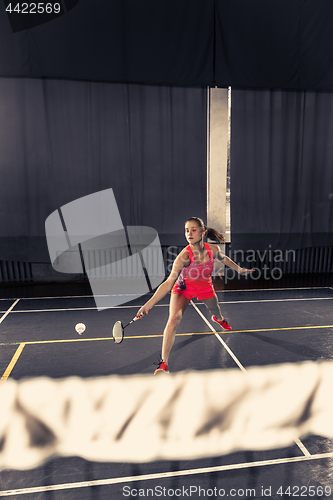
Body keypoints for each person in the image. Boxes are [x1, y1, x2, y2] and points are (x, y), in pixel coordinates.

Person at [136, 217, 253, 374]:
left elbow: (223, 259)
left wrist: (239, 269)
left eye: (193, 230)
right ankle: (163, 363)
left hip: (205, 286)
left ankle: (218, 319)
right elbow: (168, 283)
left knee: (216, 310)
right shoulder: (184, 256)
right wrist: (148, 305)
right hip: (183, 289)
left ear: (202, 232)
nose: (189, 233)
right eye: (186, 230)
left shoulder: (213, 250)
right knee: (172, 320)